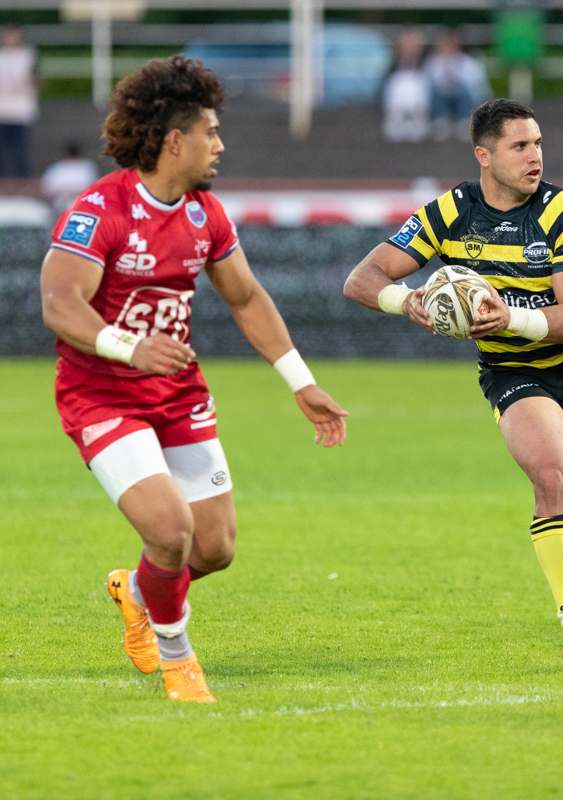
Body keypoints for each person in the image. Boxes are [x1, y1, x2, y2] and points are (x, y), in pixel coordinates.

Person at [40, 56, 348, 703]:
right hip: (102, 395)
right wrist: (128, 347)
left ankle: (134, 587)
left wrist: (300, 380)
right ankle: (179, 659)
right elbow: (59, 303)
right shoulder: (101, 209)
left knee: (214, 547)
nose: (220, 144)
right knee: (171, 530)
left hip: (178, 394)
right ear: (175, 140)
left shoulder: (206, 215)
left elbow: (246, 298)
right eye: (211, 131)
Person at [343, 98, 563, 671]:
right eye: (520, 146)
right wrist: (406, 299)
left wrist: (506, 316)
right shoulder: (449, 212)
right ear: (484, 155)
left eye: (537, 144)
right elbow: (360, 278)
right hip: (514, 372)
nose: (535, 156)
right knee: (550, 474)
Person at [424, 28, 490, 141]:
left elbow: (477, 85)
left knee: (463, 89)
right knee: (437, 90)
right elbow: (427, 83)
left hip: (462, 97)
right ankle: (440, 120)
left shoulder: (468, 62)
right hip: (441, 98)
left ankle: (465, 120)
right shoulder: (433, 62)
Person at [0, 24, 37, 178]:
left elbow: (36, 82)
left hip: (21, 110)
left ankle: (23, 182)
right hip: (2, 110)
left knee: (21, 151)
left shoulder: (28, 55)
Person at [382, 28, 430, 143]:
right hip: (396, 111)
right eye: (407, 42)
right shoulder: (393, 67)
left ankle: (417, 121)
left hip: (417, 110)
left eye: (414, 43)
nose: (411, 46)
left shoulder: (425, 66)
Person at [41, 141, 97, 216]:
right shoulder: (58, 167)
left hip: (82, 207)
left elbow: (92, 188)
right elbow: (47, 190)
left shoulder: (86, 166)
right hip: (60, 206)